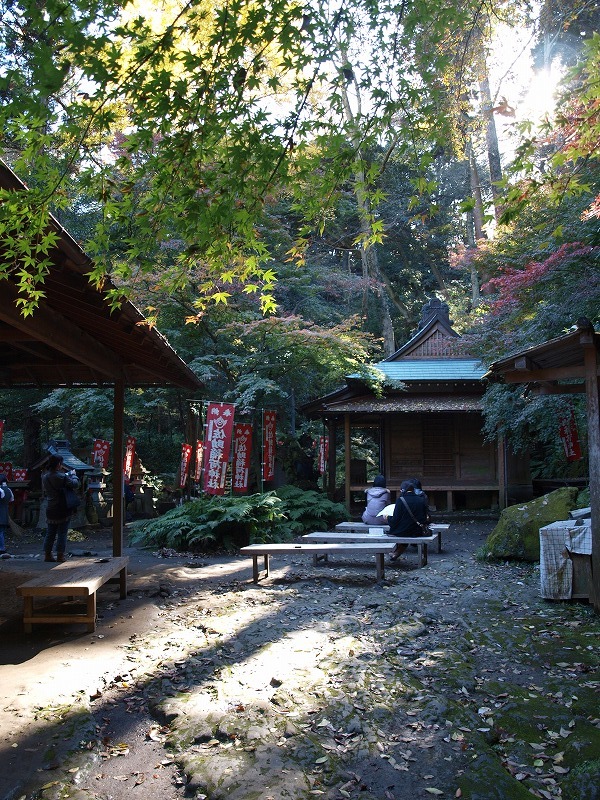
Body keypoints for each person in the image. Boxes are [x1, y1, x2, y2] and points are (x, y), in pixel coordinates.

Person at [42, 455, 79, 563]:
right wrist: (74, 476)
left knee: (50, 532)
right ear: (58, 464)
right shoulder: (61, 477)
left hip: (50, 507)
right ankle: (60, 555)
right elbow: (74, 484)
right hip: (62, 507)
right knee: (62, 532)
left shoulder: (45, 477)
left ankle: (47, 554)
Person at [387, 479, 429, 561]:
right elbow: (424, 518)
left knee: (399, 530)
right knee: (406, 530)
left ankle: (396, 553)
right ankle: (396, 553)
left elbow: (395, 519)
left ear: (402, 490)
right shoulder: (421, 500)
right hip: (417, 531)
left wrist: (388, 518)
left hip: (403, 531)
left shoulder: (401, 500)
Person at [0, 473, 14, 556]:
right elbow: (11, 500)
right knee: (1, 532)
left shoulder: (0, 490)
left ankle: (1, 548)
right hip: (5, 513)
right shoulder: (9, 490)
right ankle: (2, 548)